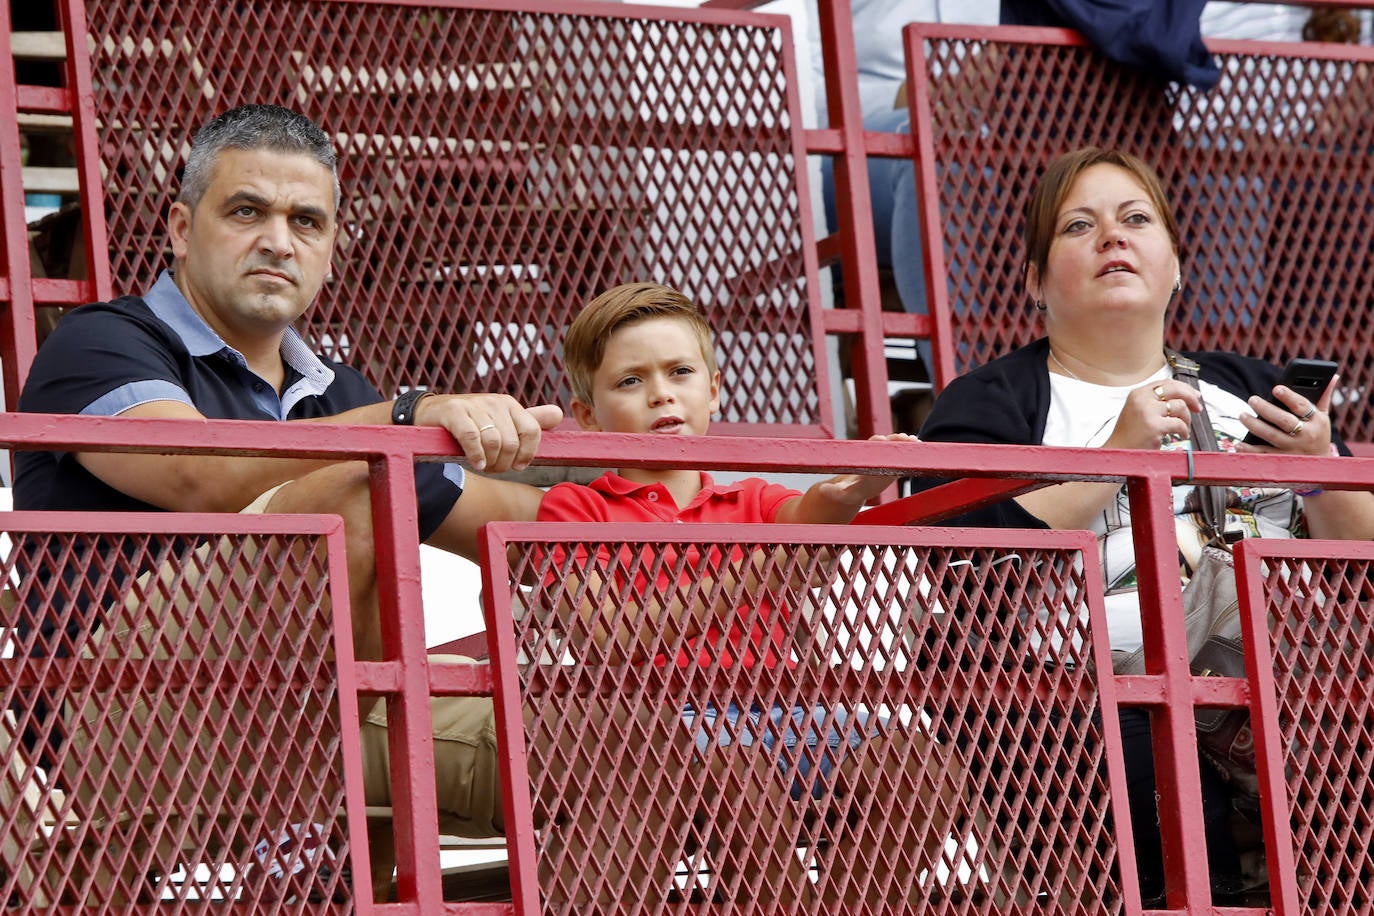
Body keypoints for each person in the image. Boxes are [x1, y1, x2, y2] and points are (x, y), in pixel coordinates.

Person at [12, 103, 563, 901]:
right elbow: (196, 474)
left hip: (302, 718)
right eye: (246, 210)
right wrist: (406, 416)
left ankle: (334, 865)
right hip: (119, 723)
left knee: (633, 754)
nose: (279, 239)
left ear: (331, 250)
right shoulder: (101, 341)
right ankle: (328, 856)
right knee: (358, 484)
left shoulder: (339, 392)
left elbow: (515, 521)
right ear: (178, 226)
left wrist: (694, 507)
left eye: (307, 220)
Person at [913, 146, 1374, 904]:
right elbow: (964, 554)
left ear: (1177, 264)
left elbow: (1359, 565)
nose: (1112, 239)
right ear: (1034, 280)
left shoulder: (1252, 390)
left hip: (1298, 682)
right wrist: (1112, 458)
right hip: (1091, 692)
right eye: (1078, 227)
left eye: (1134, 220)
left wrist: (1319, 464)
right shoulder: (990, 401)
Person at [535, 281, 959, 907]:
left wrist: (844, 495)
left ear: (712, 390)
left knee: (923, 763)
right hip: (662, 727)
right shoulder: (574, 506)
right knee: (739, 772)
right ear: (589, 414)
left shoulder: (752, 498)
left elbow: (808, 515)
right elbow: (608, 634)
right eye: (630, 381)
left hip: (783, 710)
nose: (661, 393)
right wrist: (762, 565)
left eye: (680, 372)